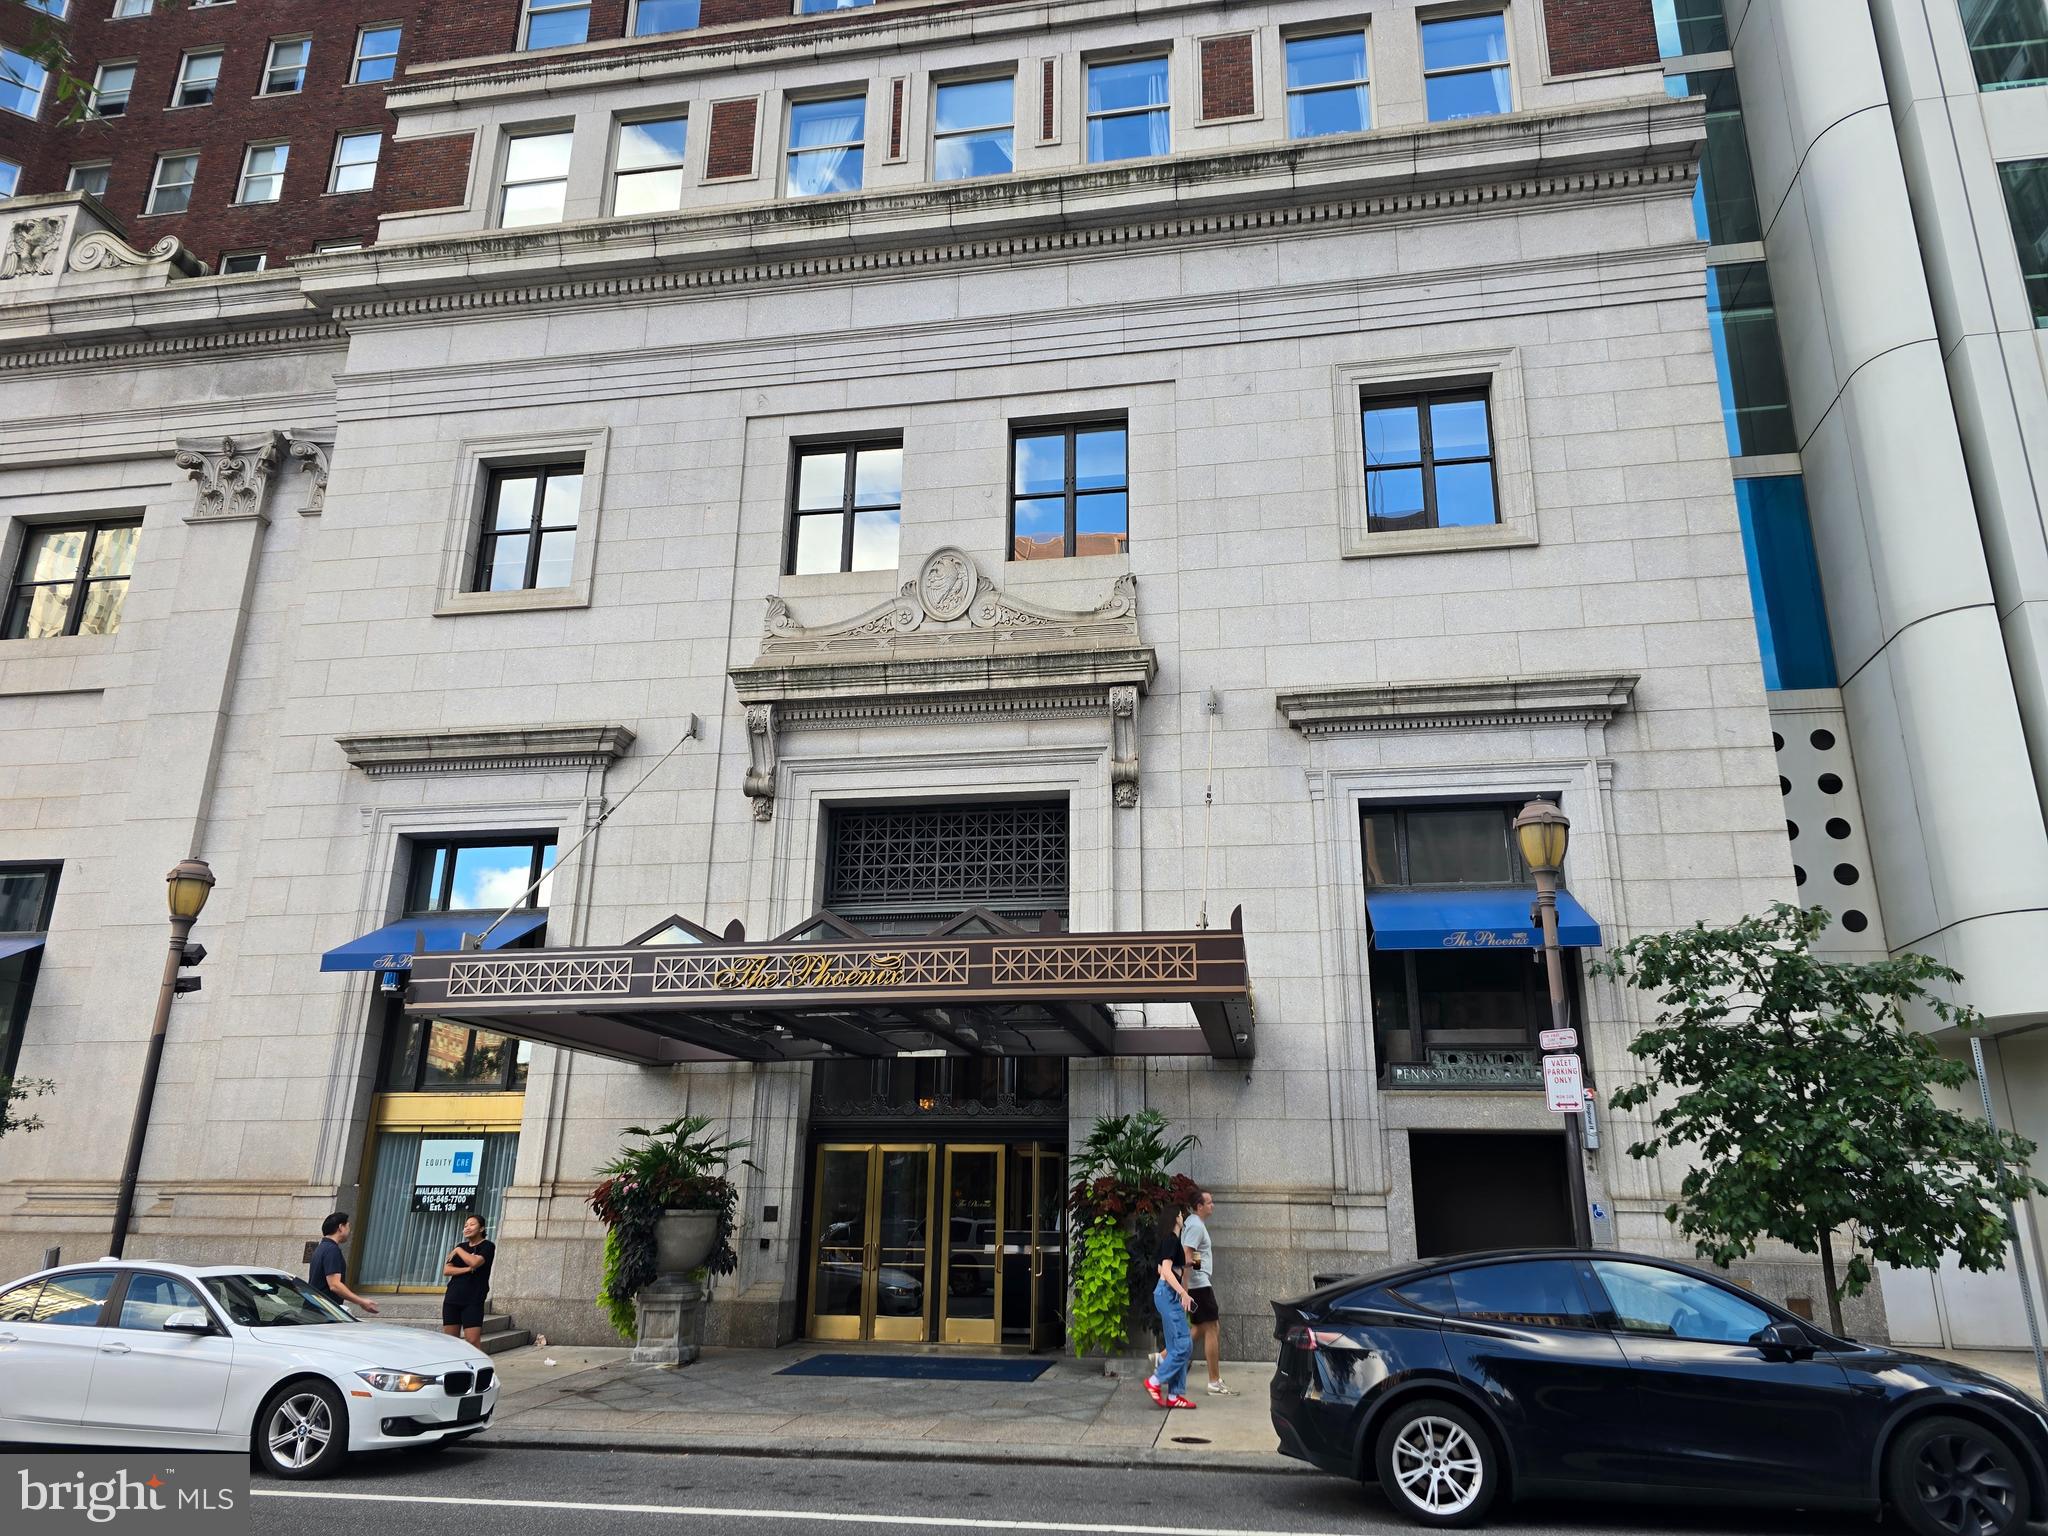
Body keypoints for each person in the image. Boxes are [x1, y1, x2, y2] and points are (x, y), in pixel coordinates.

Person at [1142, 1205, 1198, 1411]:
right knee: (1184, 1345)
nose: (1183, 1217)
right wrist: (1183, 1293)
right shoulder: (1172, 1240)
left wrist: (1183, 1267)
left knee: (1177, 1347)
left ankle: (1174, 1395)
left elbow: (1161, 1268)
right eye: (1181, 1214)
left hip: (1166, 1294)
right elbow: (1165, 1270)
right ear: (1176, 1218)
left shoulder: (1170, 1240)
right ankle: (1155, 1381)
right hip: (1168, 1295)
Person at [1182, 1188, 1228, 1394]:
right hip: (1199, 1285)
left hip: (1198, 1282)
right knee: (1211, 1328)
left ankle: (1163, 1357)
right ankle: (1214, 1380)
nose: (1213, 1205)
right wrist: (1186, 1288)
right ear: (1199, 1206)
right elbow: (1187, 1255)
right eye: (1209, 1202)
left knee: (1203, 1328)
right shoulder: (1195, 1226)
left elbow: (1194, 1254)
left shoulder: (1195, 1224)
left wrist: (1198, 1271)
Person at [307, 1211, 379, 1315]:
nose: (350, 1231)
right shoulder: (332, 1250)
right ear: (341, 1227)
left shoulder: (322, 1247)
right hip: (323, 1313)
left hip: (315, 1310)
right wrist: (361, 1301)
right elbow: (334, 1285)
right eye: (348, 1227)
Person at [441, 1213, 496, 1348]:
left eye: (472, 1225)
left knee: (472, 1341)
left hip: (473, 1298)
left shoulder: (488, 1246)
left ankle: (476, 1362)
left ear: (481, 1228)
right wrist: (467, 1269)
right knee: (451, 1341)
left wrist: (458, 1250)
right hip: (453, 1297)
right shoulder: (462, 1246)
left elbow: (475, 1262)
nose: (467, 1228)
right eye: (465, 1226)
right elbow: (447, 1270)